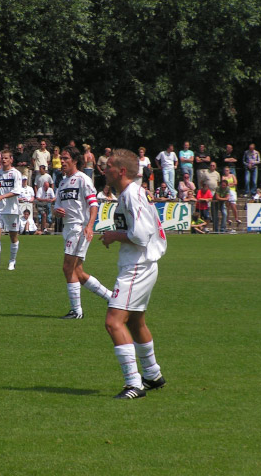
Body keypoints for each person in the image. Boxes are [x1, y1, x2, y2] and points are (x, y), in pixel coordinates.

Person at [99, 148, 167, 399]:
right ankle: (153, 375)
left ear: (122, 171)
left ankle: (133, 384)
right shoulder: (131, 194)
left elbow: (139, 235)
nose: (104, 170)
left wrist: (112, 235)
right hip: (143, 264)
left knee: (113, 322)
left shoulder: (132, 195)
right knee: (137, 322)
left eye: (108, 167)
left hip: (137, 266)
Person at [54, 146, 111, 319]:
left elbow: (94, 204)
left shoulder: (83, 179)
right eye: (61, 159)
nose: (61, 161)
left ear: (75, 160)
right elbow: (56, 206)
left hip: (79, 228)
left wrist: (90, 225)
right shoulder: (63, 182)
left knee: (67, 267)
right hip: (68, 228)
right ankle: (111, 297)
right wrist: (56, 211)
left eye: (65, 158)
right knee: (77, 271)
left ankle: (76, 311)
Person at [0, 150, 22, 270]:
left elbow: (17, 191)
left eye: (6, 158)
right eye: (2, 158)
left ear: (11, 159)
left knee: (13, 236)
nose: (4, 160)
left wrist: (2, 196)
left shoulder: (16, 173)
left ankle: (12, 261)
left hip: (12, 209)